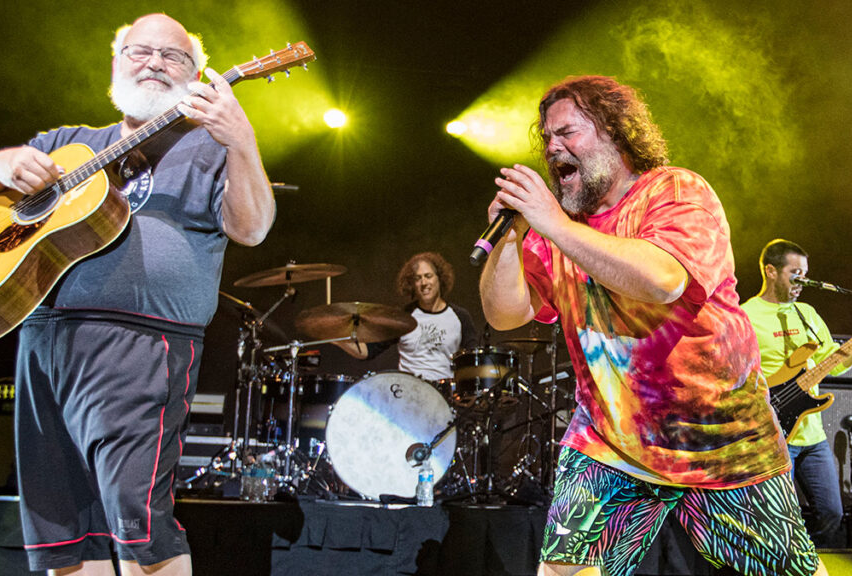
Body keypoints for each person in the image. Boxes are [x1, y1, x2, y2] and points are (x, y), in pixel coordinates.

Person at [0, 13, 274, 576]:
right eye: (140, 51)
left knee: (141, 531)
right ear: (115, 63)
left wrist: (241, 139)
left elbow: (252, 228)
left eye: (172, 56)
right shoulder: (65, 144)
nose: (154, 62)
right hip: (42, 342)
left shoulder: (208, 148)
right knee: (65, 535)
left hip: (142, 346)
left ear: (197, 75)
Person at [478, 75, 826, 576]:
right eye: (546, 136)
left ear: (615, 134)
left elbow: (661, 279)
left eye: (568, 133)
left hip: (719, 436)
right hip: (610, 439)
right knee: (564, 572)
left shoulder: (675, 190)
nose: (552, 147)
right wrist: (510, 239)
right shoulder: (558, 230)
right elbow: (504, 313)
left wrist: (553, 223)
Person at [741, 239, 852, 547]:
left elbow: (833, 363)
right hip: (774, 436)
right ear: (771, 271)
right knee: (777, 519)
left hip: (814, 437)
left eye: (806, 274)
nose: (803, 282)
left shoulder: (807, 313)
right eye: (796, 273)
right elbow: (734, 374)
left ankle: (806, 562)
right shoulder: (746, 316)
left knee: (832, 514)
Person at [335, 252, 478, 382]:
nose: (424, 283)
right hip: (408, 394)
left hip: (446, 397)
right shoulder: (403, 317)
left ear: (439, 279)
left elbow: (475, 360)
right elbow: (367, 351)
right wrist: (334, 336)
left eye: (428, 276)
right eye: (418, 278)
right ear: (412, 284)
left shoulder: (460, 316)